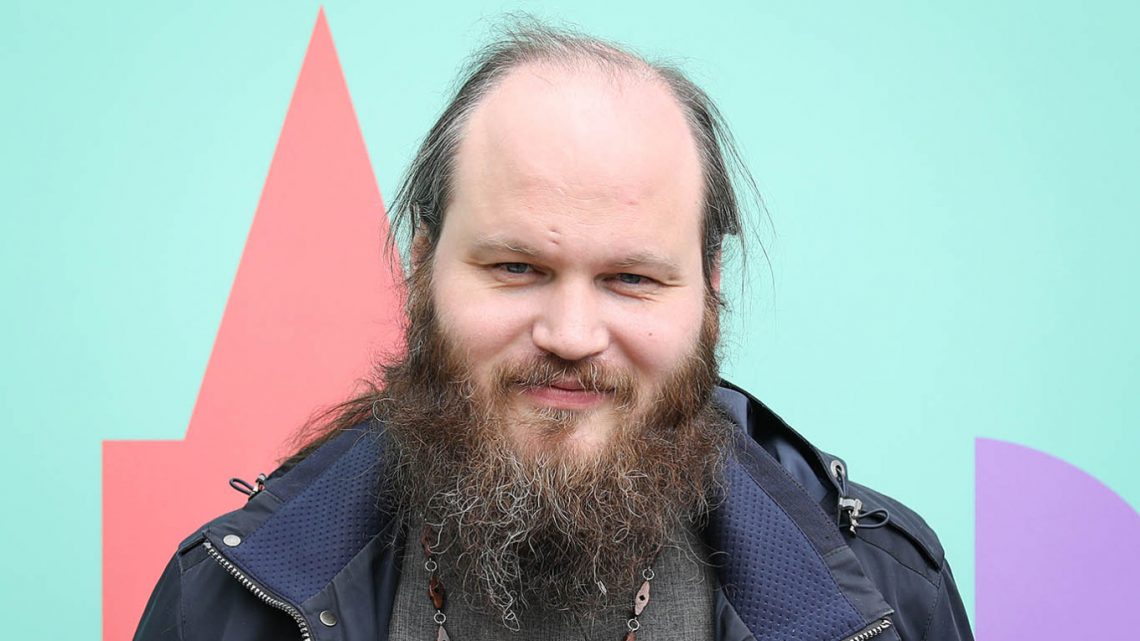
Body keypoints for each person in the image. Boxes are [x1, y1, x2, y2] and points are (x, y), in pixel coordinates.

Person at [134, 23, 973, 641]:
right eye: (516, 267)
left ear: (710, 288)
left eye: (631, 278)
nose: (571, 334)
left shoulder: (889, 600)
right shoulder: (226, 601)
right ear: (422, 265)